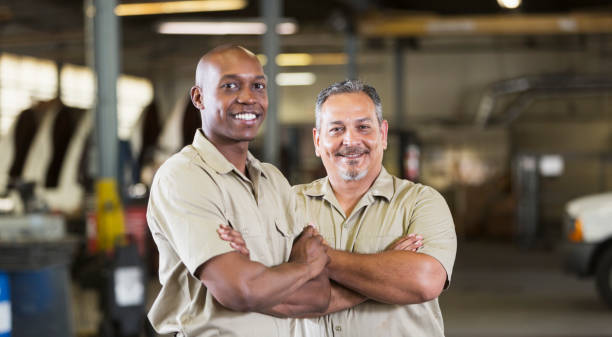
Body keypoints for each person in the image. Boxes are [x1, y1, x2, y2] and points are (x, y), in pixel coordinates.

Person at [221, 79, 457, 337]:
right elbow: (267, 298)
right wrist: (385, 274)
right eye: (336, 129)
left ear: (383, 134)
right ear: (318, 140)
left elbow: (423, 282)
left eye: (363, 127)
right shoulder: (284, 204)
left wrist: (316, 258)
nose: (350, 140)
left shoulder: (421, 203)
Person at [146, 45, 331, 337]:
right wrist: (304, 267)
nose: (248, 98)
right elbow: (241, 290)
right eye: (230, 85)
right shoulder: (183, 177)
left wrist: (256, 278)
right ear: (199, 97)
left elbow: (319, 296)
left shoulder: (274, 181)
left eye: (258, 86)